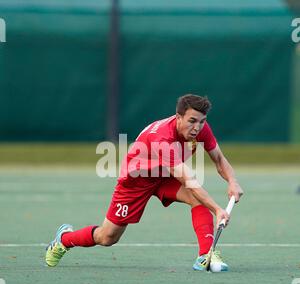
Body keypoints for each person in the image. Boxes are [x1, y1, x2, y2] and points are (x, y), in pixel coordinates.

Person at [45, 94, 243, 271]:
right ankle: (63, 240)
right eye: (192, 121)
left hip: (164, 176)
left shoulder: (201, 129)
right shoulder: (162, 138)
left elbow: (218, 159)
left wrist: (232, 181)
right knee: (107, 237)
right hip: (136, 181)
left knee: (197, 199)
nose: (197, 127)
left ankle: (206, 254)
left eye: (202, 122)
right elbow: (188, 179)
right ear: (178, 117)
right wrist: (217, 209)